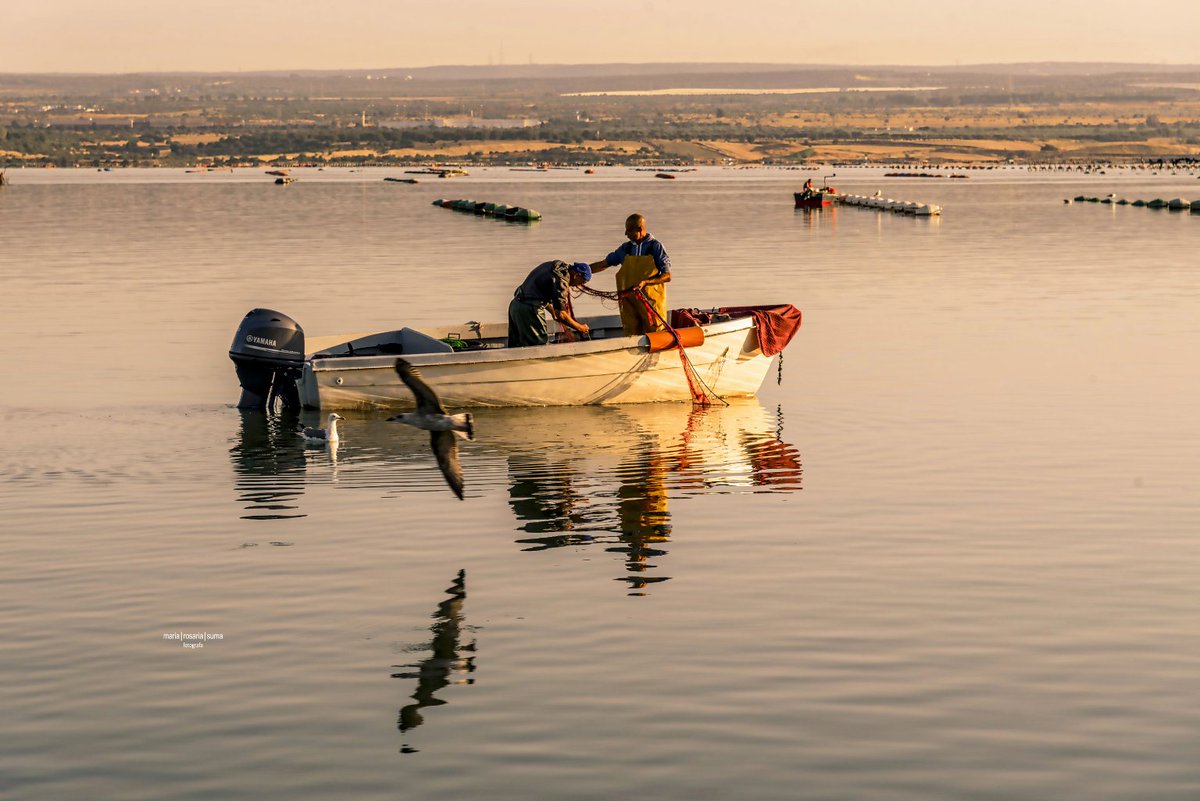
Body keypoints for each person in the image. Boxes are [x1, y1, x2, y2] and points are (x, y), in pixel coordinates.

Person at [588, 213, 671, 336]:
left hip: (651, 303)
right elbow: (604, 264)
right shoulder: (625, 248)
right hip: (629, 302)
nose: (626, 234)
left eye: (629, 231)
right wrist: (581, 272)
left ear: (640, 229)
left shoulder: (655, 247)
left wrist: (646, 282)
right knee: (630, 333)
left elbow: (667, 276)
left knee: (655, 332)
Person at [507, 260, 598, 347]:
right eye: (581, 282)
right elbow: (561, 314)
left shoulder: (556, 267)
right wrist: (580, 327)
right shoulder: (562, 281)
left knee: (516, 346)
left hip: (515, 306)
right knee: (538, 346)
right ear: (576, 275)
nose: (578, 285)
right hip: (530, 310)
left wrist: (552, 311)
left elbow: (537, 291)